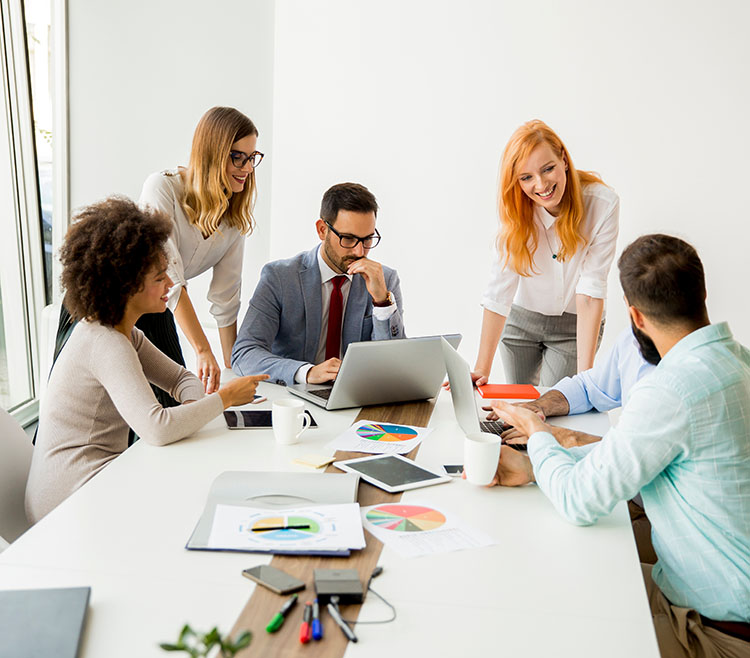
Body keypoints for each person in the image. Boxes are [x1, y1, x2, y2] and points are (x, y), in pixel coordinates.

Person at [488, 234, 750, 657]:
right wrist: (539, 465)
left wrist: (536, 435)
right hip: (708, 595)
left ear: (635, 315)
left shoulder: (674, 388)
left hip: (713, 632)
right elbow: (646, 455)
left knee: (554, 606)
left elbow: (578, 502)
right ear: (702, 294)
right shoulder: (734, 361)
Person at [25, 198, 267, 523]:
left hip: (98, 481)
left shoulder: (124, 332)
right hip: (70, 500)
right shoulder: (104, 342)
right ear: (126, 285)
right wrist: (224, 398)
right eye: (159, 277)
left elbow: (183, 380)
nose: (171, 284)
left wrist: (194, 409)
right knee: (191, 501)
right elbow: (156, 428)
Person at [474, 120, 619, 387]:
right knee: (522, 409)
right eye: (526, 177)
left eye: (548, 169)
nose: (541, 185)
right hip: (521, 321)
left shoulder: (602, 204)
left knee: (555, 409)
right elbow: (499, 289)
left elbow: (591, 290)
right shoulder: (516, 209)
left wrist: (585, 380)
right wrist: (481, 367)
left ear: (564, 159)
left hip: (574, 325)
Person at [139, 106, 262, 399]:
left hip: (157, 307)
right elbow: (169, 277)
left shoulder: (234, 216)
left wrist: (233, 368)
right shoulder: (163, 188)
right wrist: (203, 350)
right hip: (112, 306)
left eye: (252, 158)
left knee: (174, 402)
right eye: (237, 157)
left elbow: (226, 297)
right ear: (212, 154)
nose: (247, 168)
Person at [231, 182, 404, 386]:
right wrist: (306, 372)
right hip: (295, 398)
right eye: (348, 239)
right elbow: (245, 353)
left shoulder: (385, 279)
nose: (359, 251)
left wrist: (382, 303)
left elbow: (394, 365)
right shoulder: (280, 277)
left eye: (367, 239)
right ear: (322, 230)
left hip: (355, 398)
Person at [490, 326, 656, 448]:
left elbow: (642, 455)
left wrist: (565, 437)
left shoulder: (674, 381)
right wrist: (538, 405)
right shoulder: (631, 340)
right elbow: (587, 387)